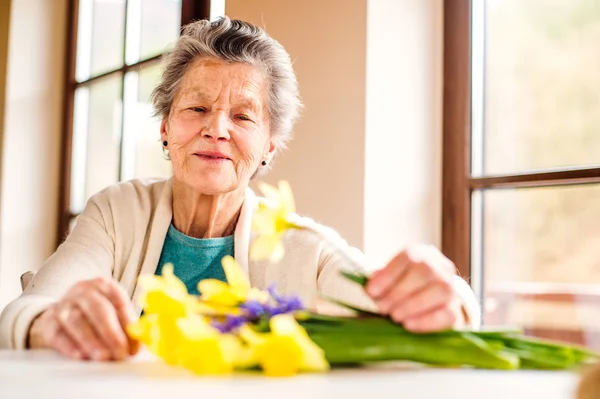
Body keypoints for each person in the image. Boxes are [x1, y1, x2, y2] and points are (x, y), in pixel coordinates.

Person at [0, 17, 479, 361]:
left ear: (270, 144)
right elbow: (25, 313)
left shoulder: (304, 247)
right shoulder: (116, 211)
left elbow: (408, 312)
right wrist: (53, 323)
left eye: (243, 116)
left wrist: (449, 300)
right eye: (197, 108)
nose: (217, 130)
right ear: (165, 126)